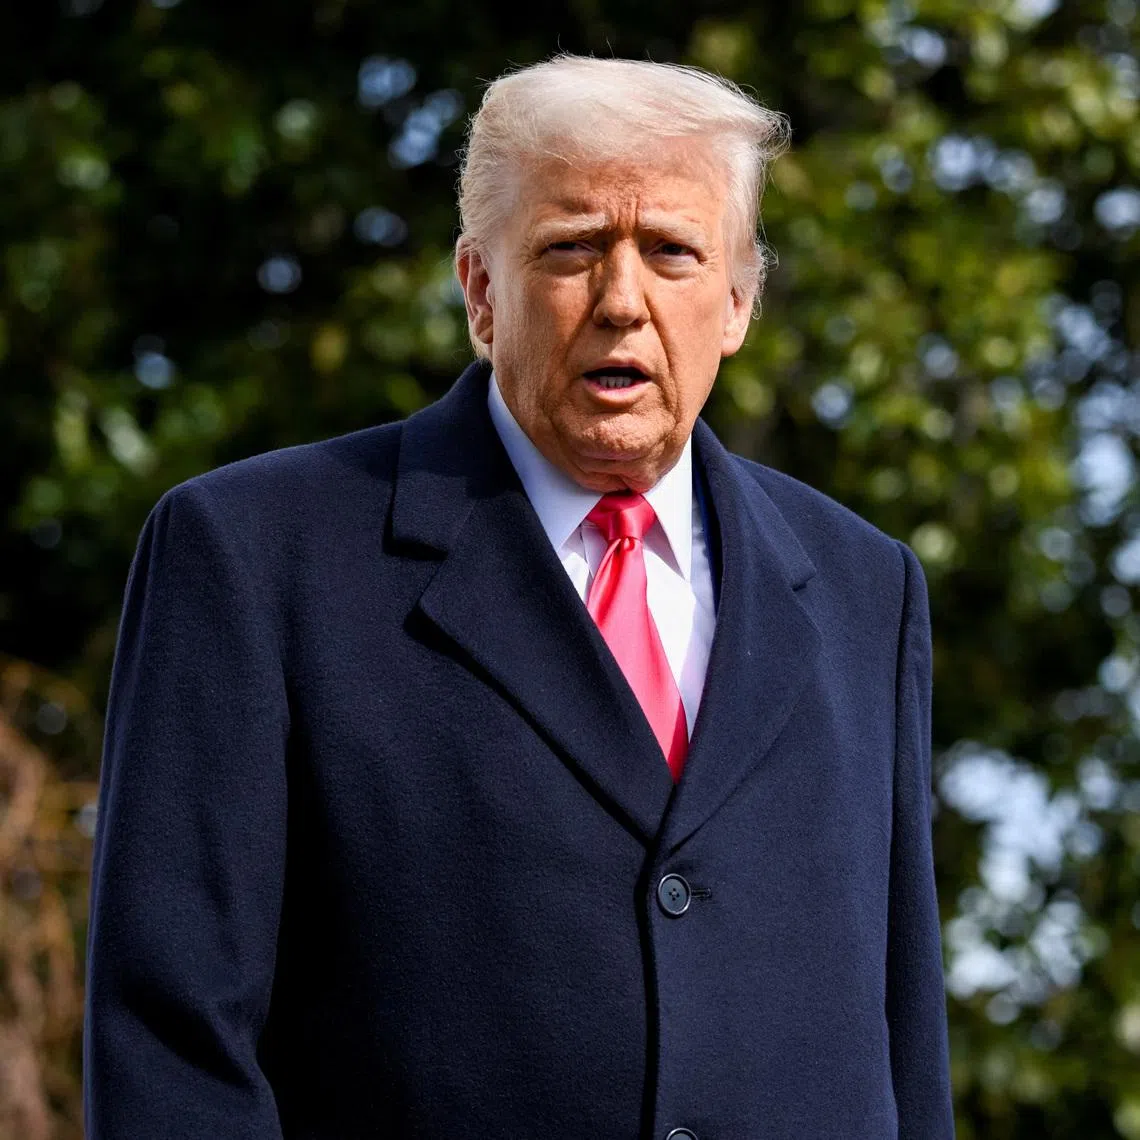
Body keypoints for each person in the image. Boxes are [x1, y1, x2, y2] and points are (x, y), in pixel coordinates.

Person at [83, 54, 955, 1140]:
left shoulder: (867, 587)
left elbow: (904, 1043)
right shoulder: (254, 555)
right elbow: (172, 1044)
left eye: (672, 252)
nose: (623, 301)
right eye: (571, 248)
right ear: (481, 291)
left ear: (738, 303)